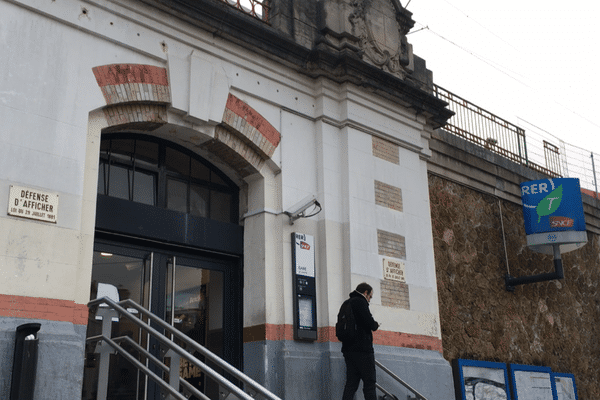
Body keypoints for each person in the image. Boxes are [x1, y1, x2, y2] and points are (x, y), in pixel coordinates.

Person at [341, 282, 380, 400]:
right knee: (369, 384)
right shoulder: (361, 302)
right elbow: (369, 323)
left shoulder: (346, 303)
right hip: (363, 350)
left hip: (348, 351)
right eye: (370, 297)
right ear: (365, 293)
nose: (369, 300)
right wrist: (375, 324)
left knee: (351, 384)